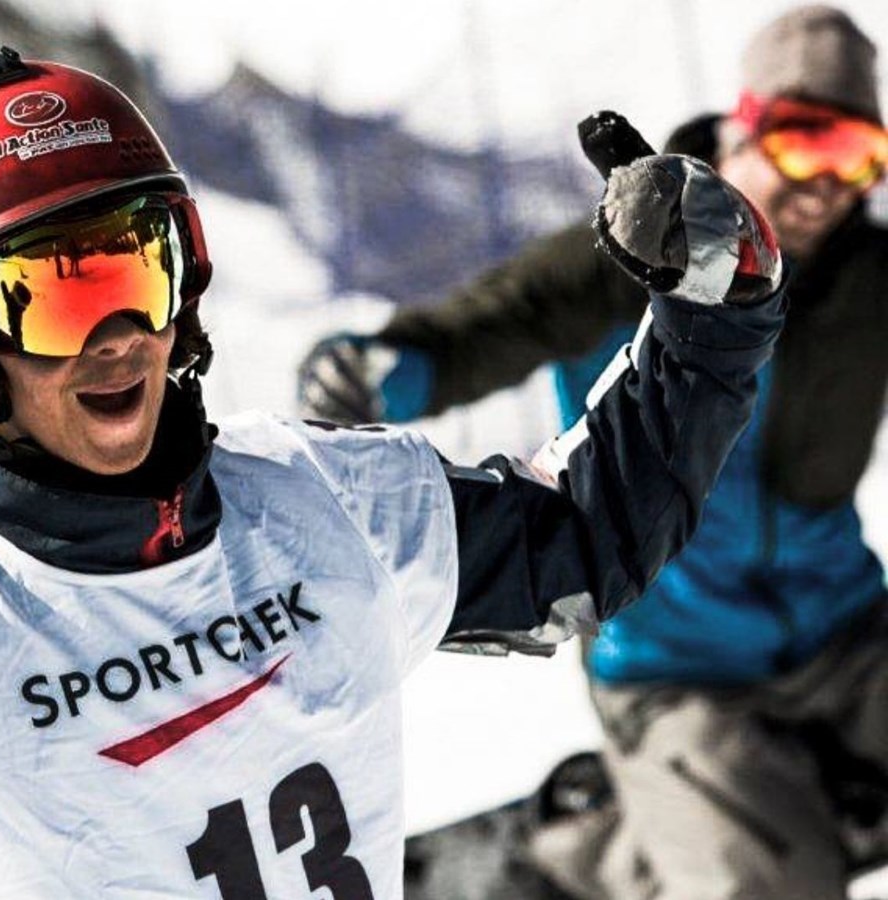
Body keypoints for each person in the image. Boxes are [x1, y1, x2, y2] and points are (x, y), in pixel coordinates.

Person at [0, 46, 786, 900]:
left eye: (138, 269)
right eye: (55, 296)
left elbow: (591, 533)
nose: (121, 332)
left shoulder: (323, 506)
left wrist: (713, 315)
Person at [299, 6, 888, 899]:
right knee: (769, 885)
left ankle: (677, 825)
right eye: (807, 143)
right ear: (745, 124)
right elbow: (482, 328)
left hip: (848, 632)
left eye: (861, 157)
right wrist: (376, 373)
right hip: (680, 669)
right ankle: (577, 854)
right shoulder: (642, 244)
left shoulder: (866, 279)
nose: (829, 185)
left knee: (776, 831)